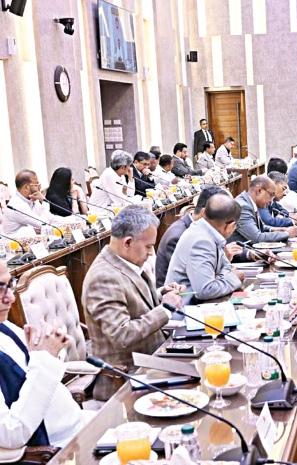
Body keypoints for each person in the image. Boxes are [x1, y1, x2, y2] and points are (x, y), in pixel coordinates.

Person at [82, 205, 183, 400]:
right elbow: (122, 334)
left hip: (153, 360)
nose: (151, 253)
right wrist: (166, 308)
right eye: (148, 247)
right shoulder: (103, 278)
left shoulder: (123, 262)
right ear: (127, 242)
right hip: (127, 377)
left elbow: (134, 302)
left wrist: (162, 294)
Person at [0, 260, 90, 448]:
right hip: (56, 449)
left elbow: (38, 369)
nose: (11, 298)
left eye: (9, 285)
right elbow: (11, 433)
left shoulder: (4, 326)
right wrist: (46, 357)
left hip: (79, 424)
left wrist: (51, 348)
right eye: (0, 289)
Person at [165, 193, 245, 304]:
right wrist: (233, 279)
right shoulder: (201, 241)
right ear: (230, 226)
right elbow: (205, 290)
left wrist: (222, 277)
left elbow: (227, 267)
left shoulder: (208, 231)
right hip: (185, 308)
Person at [154, 187, 224, 288]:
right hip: (177, 293)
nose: (222, 223)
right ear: (204, 213)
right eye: (221, 217)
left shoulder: (200, 230)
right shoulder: (178, 236)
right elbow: (199, 278)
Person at [230, 176, 297, 245]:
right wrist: (287, 233)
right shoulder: (243, 207)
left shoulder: (249, 202)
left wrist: (274, 229)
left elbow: (257, 226)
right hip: (240, 251)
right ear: (259, 191)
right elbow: (257, 238)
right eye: (271, 195)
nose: (271, 201)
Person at [3, 170, 65, 234]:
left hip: (31, 239)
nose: (39, 188)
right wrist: (44, 201)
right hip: (15, 240)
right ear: (26, 187)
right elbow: (44, 224)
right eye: (36, 185)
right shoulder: (17, 205)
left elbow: (49, 218)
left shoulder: (31, 199)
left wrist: (68, 221)